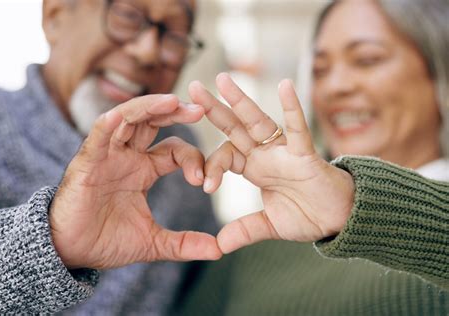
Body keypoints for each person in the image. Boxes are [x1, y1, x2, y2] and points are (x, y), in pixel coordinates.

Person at [176, 0, 449, 314]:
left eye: (367, 59)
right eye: (319, 70)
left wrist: (357, 205)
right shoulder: (259, 241)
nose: (333, 86)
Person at [0, 0, 219, 314]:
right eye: (128, 15)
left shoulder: (178, 157)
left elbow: (216, 281)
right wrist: (51, 240)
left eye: (174, 33)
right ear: (55, 16)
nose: (147, 51)